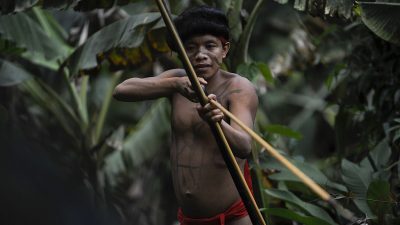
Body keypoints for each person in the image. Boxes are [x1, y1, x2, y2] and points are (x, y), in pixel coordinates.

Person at [113, 6, 258, 225]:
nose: (200, 55)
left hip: (231, 218)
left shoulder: (238, 88)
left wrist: (217, 122)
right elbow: (122, 90)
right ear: (182, 52)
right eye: (190, 48)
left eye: (210, 46)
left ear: (224, 49)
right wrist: (175, 84)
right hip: (188, 219)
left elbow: (245, 146)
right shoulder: (177, 80)